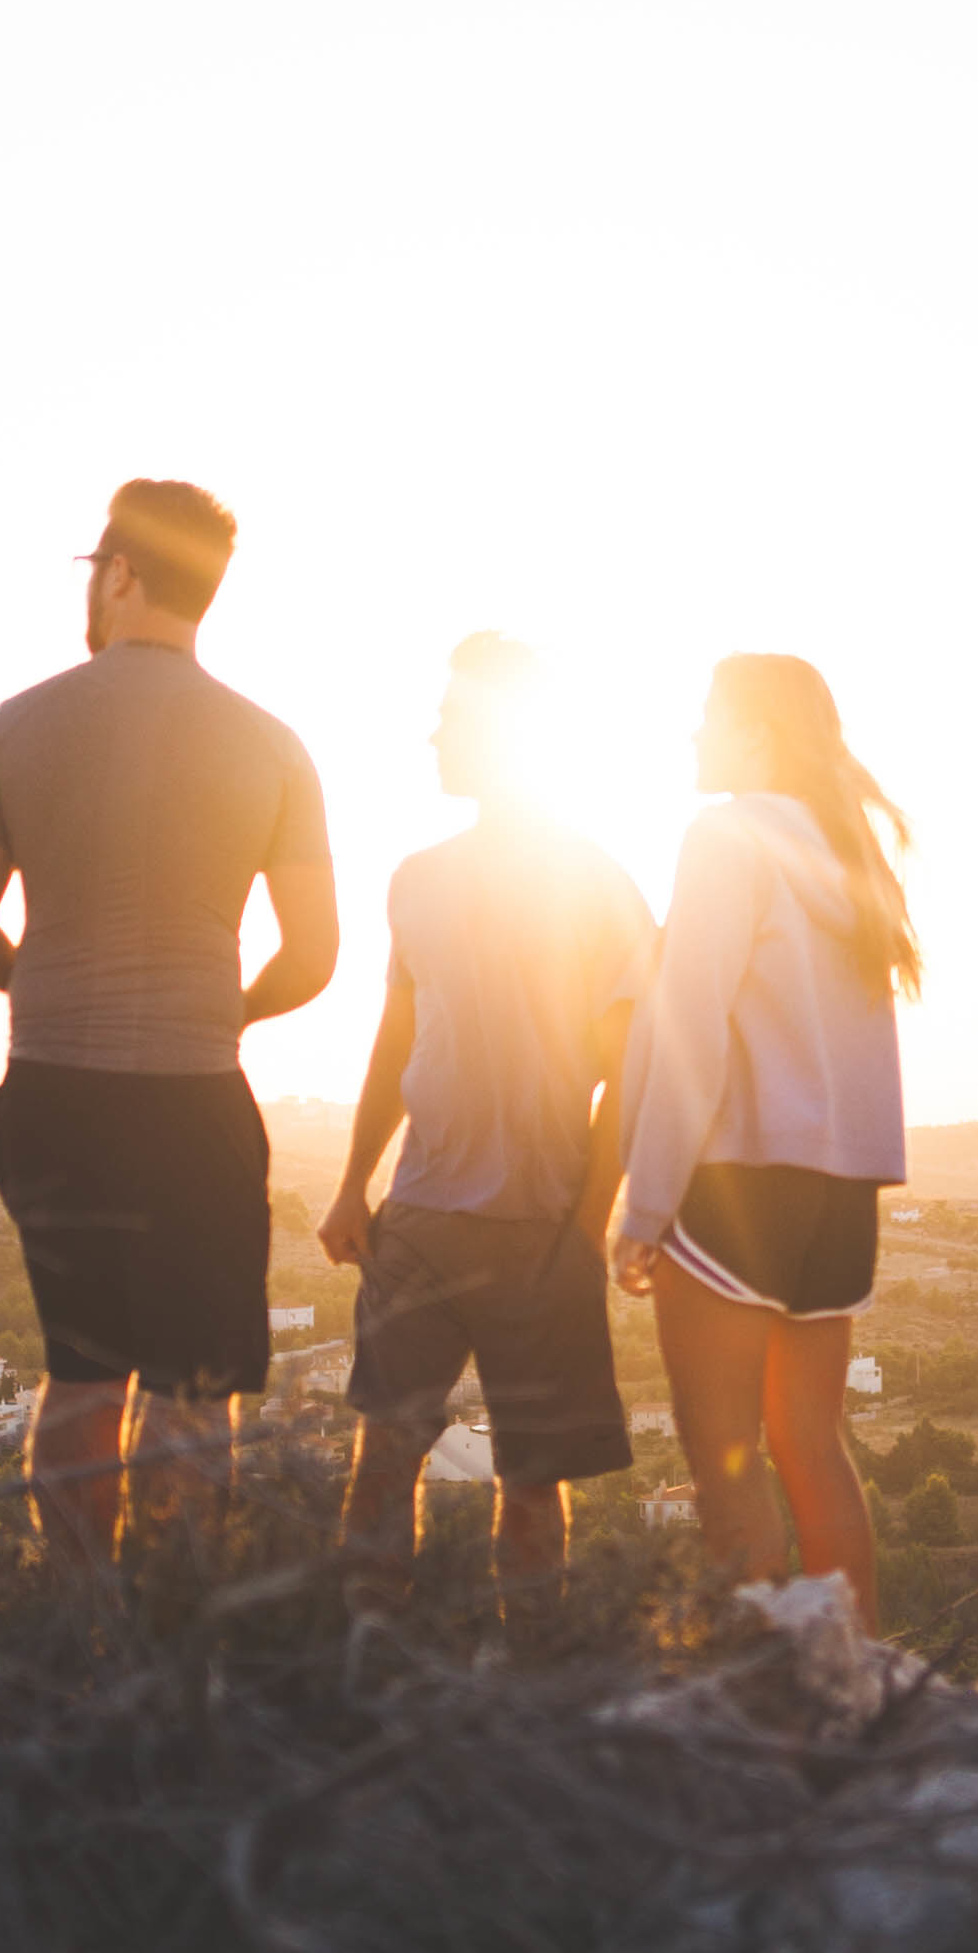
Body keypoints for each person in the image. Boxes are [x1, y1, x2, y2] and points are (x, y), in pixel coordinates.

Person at [0, 477, 337, 1558]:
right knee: (194, 1388)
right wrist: (221, 1013)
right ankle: (179, 1619)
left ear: (119, 573)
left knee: (80, 1372)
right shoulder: (272, 747)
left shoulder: (15, 727)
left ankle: (77, 1619)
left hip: (56, 1093)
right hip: (195, 1094)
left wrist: (56, 988)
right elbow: (315, 956)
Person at [315, 637, 655, 1614]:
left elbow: (631, 1072)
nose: (433, 736)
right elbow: (395, 1043)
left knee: (532, 1483)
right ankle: (370, 1671)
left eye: (452, 717)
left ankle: (533, 1692)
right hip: (417, 1217)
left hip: (540, 1227)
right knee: (383, 1455)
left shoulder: (596, 882)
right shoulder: (416, 878)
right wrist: (351, 1184)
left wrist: (587, 1222)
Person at [610, 654, 913, 1622]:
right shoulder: (849, 853)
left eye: (708, 717)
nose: (694, 736)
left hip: (735, 1180)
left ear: (760, 735)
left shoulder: (726, 834)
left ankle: (756, 1693)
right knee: (812, 1446)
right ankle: (855, 1681)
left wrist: (644, 1200)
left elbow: (690, 1021)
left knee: (723, 1454)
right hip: (841, 1193)